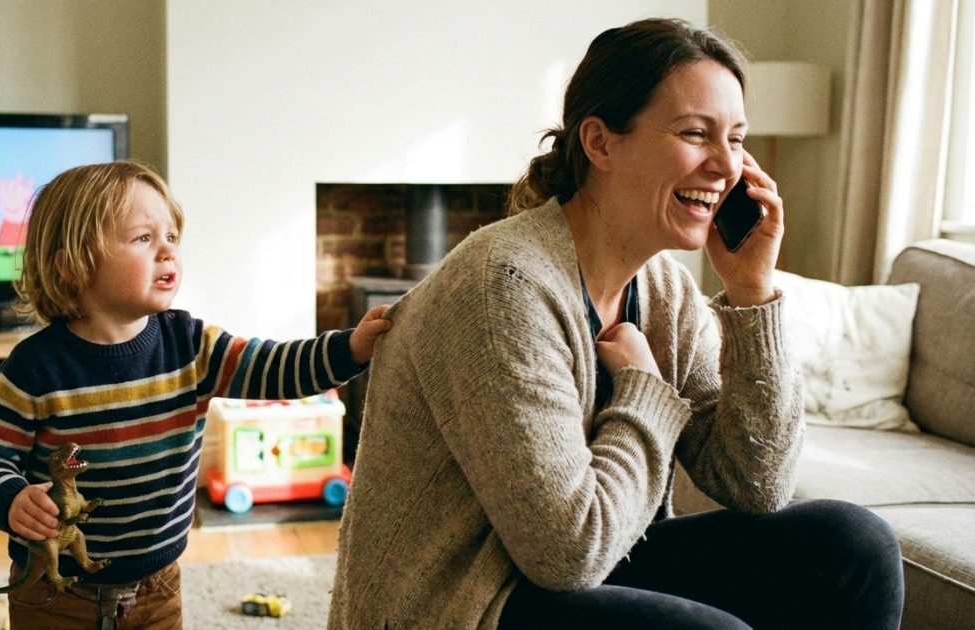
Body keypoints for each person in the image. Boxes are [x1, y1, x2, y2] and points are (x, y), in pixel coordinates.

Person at [328, 18, 904, 630]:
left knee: (853, 547)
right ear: (600, 143)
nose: (725, 166)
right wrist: (646, 391)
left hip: (584, 563)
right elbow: (567, 553)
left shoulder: (664, 292)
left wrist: (752, 295)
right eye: (694, 133)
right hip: (461, 604)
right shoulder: (503, 287)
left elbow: (756, 483)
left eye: (736, 139)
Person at [0, 160, 391, 630]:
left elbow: (274, 367)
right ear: (74, 267)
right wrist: (11, 499)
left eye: (171, 237)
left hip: (156, 586)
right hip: (54, 591)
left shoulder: (191, 345)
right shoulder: (35, 367)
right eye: (144, 238)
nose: (167, 251)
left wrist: (351, 348)